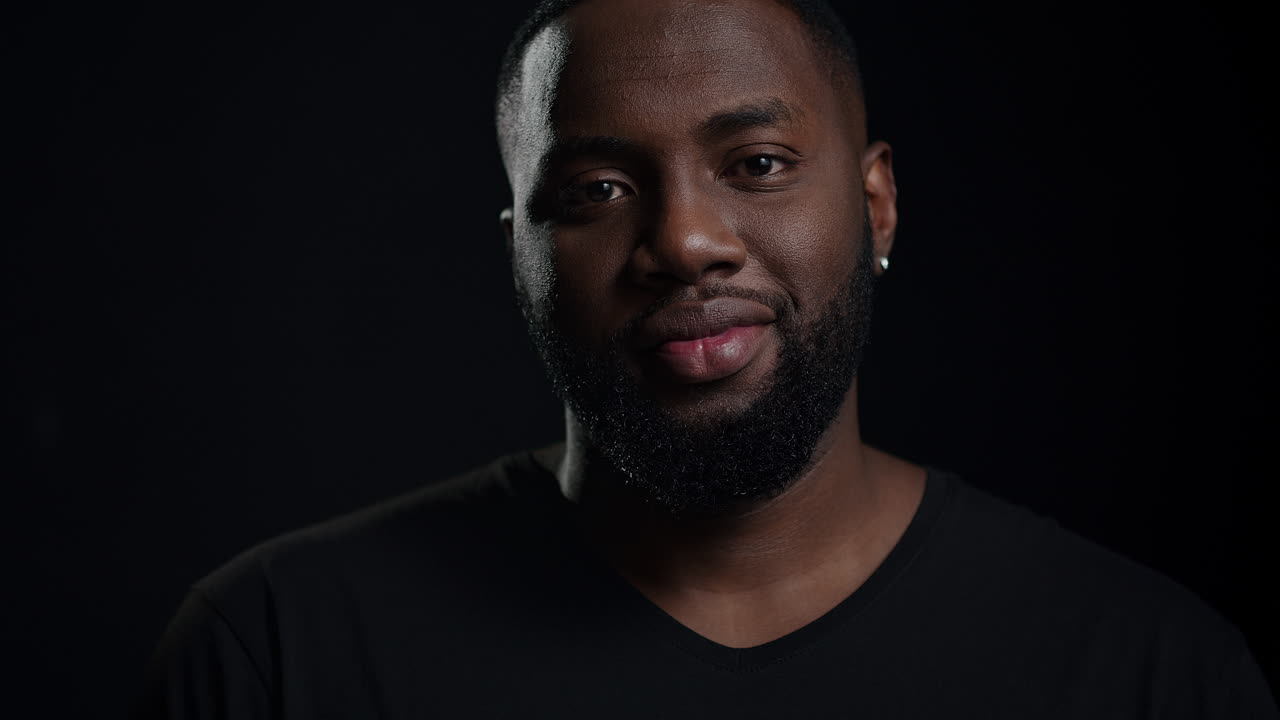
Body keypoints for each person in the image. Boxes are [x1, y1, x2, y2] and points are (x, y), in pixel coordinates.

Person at [136, 0, 1277, 717]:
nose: (683, 241)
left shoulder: (1145, 671)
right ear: (520, 255)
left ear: (875, 205)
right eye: (595, 191)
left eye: (759, 163)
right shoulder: (280, 656)